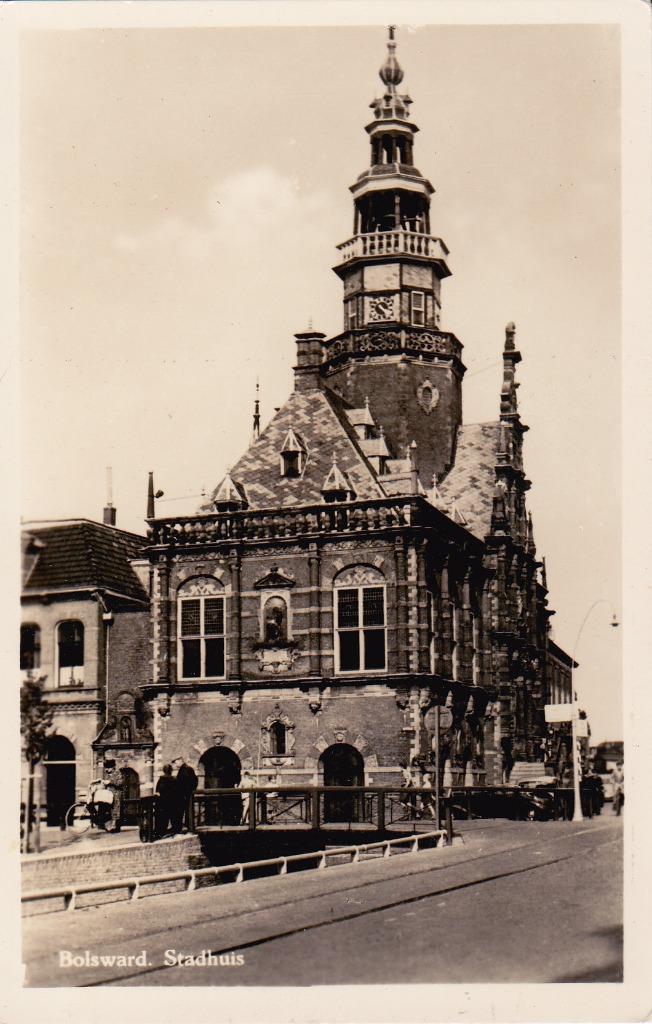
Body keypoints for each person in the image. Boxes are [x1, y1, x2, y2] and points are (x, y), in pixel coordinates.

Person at [172, 758, 198, 833]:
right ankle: (189, 828)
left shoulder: (185, 770)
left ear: (180, 760)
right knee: (187, 811)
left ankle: (182, 829)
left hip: (183, 795)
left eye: (176, 762)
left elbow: (184, 783)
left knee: (180, 812)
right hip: (186, 795)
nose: (175, 764)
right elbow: (195, 781)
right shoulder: (187, 769)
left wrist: (186, 792)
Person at [155, 764, 177, 838]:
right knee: (173, 817)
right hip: (172, 802)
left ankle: (161, 832)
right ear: (171, 771)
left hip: (163, 802)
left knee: (163, 818)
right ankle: (174, 831)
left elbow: (157, 792)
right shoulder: (174, 779)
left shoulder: (161, 779)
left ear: (163, 771)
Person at [103, 760, 123, 833]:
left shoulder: (117, 773)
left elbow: (120, 783)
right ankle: (108, 826)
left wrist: (110, 782)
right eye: (106, 768)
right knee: (108, 810)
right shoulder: (106, 775)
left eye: (108, 768)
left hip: (116, 794)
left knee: (115, 809)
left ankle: (115, 826)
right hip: (108, 795)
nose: (107, 769)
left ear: (113, 767)